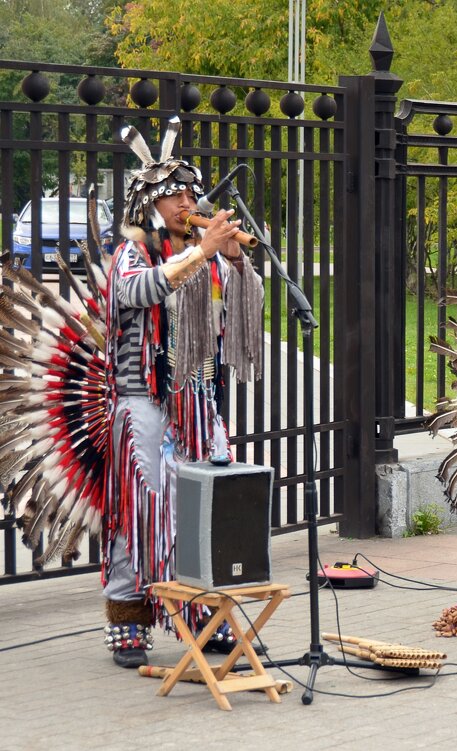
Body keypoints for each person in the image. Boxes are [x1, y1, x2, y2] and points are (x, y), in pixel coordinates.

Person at [102, 118, 264, 667]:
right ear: (148, 206)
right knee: (141, 510)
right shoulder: (134, 253)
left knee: (204, 511)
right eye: (172, 195)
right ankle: (128, 620)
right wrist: (201, 254)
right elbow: (134, 292)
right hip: (142, 402)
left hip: (197, 404)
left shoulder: (209, 255)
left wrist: (237, 259)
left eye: (189, 193)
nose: (185, 203)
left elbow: (241, 311)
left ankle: (207, 618)